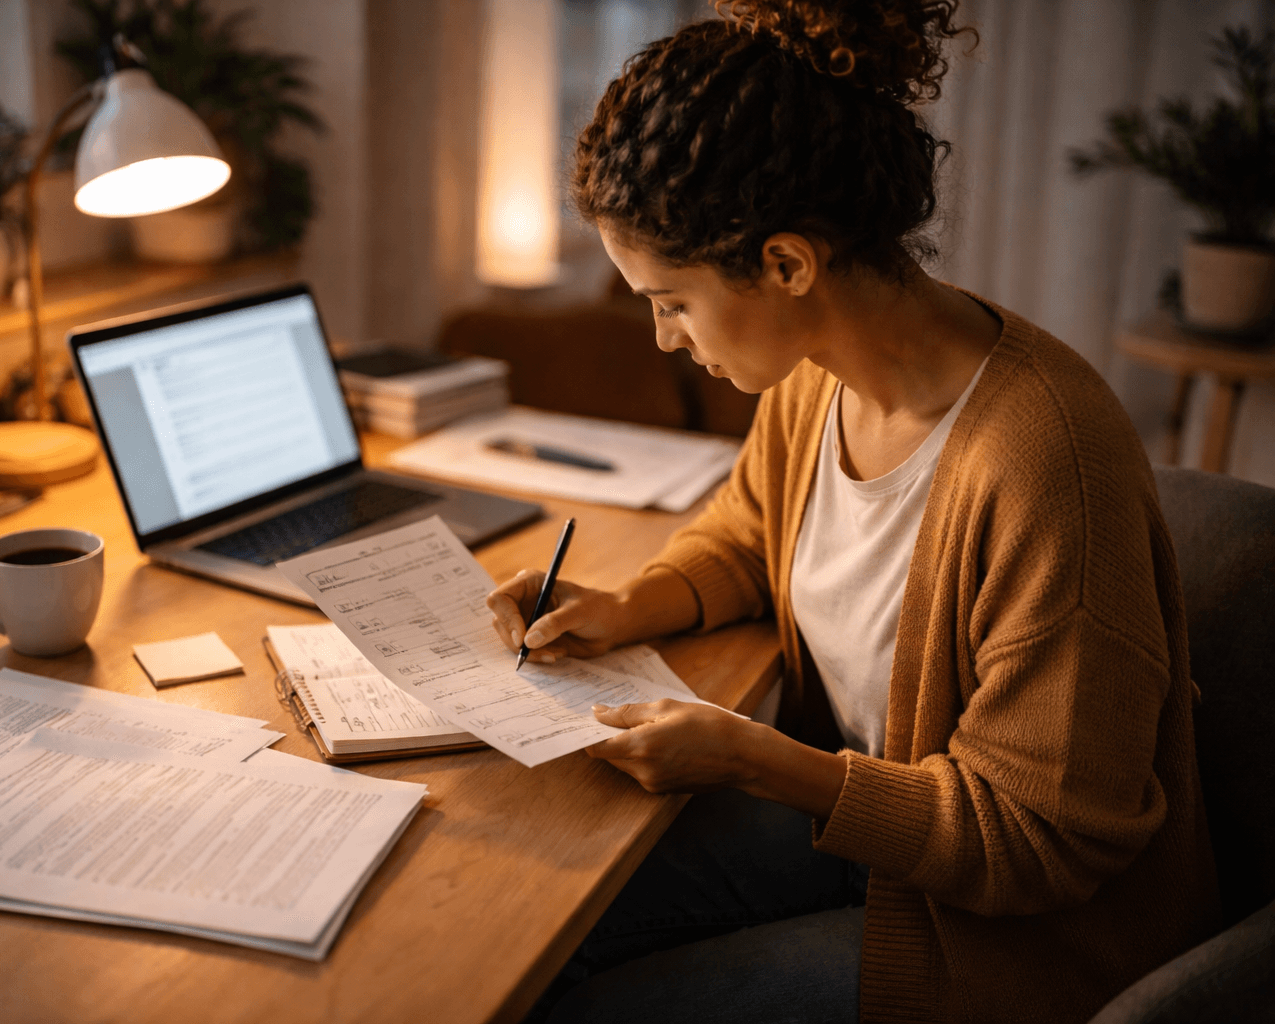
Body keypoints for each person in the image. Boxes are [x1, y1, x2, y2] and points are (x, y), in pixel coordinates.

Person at [486, 2, 1221, 1021]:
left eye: (673, 300)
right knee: (532, 925)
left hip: (1013, 940)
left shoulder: (1045, 460)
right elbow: (752, 532)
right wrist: (633, 603)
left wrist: (755, 758)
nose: (660, 337)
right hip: (878, 836)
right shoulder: (812, 372)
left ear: (788, 263)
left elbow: (1042, 838)